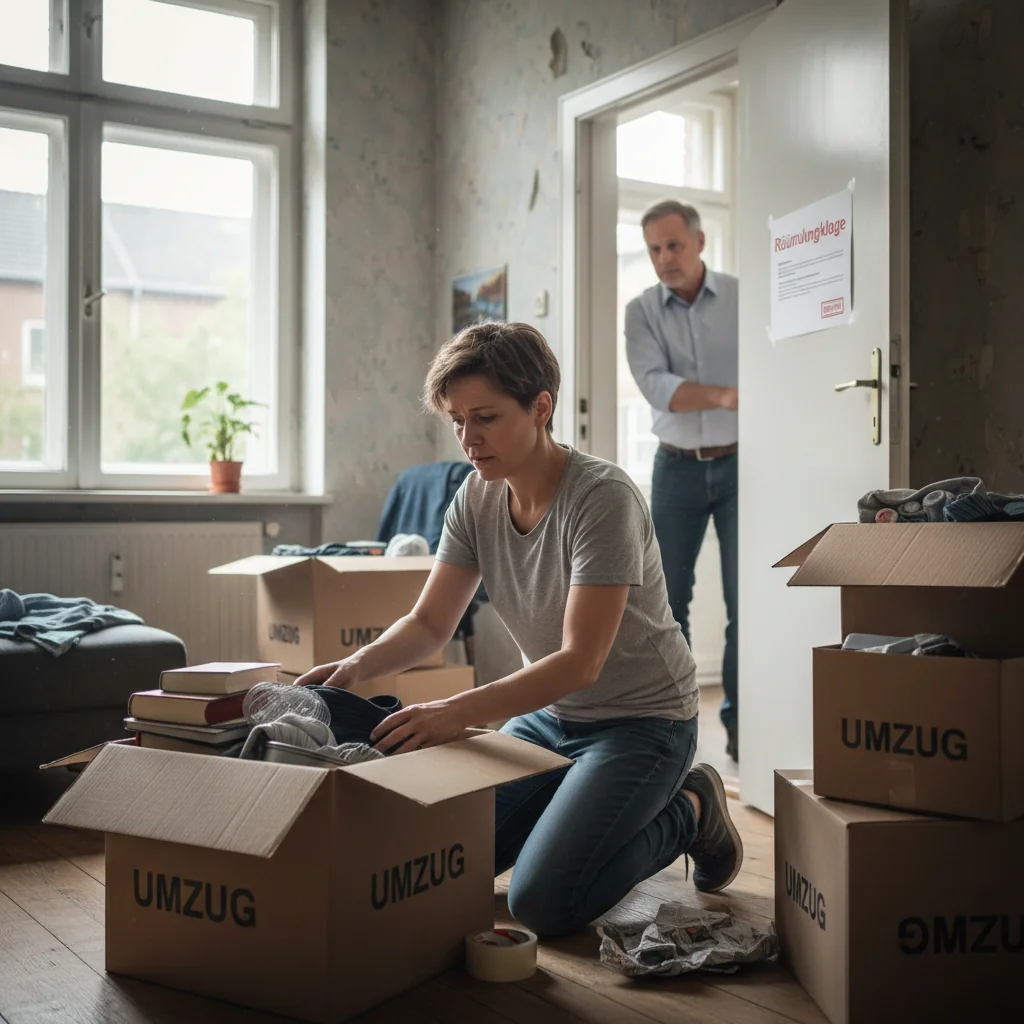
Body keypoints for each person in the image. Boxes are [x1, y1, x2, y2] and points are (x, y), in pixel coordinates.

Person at [297, 320, 743, 939]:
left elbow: (580, 662)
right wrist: (352, 668)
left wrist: (458, 712)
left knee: (542, 901)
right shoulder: (474, 500)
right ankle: (578, 812)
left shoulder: (602, 497)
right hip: (551, 719)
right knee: (451, 858)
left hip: (644, 722)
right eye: (456, 420)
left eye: (484, 417)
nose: (467, 439)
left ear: (541, 408)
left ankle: (692, 809)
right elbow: (429, 624)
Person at [624, 200, 739, 762]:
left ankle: (745, 730)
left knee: (747, 600)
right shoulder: (640, 310)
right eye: (653, 249)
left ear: (698, 241)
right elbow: (657, 386)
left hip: (745, 464)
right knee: (667, 604)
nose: (664, 258)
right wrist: (724, 394)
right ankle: (678, 731)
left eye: (673, 245)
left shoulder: (744, 296)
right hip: (675, 468)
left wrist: (721, 395)